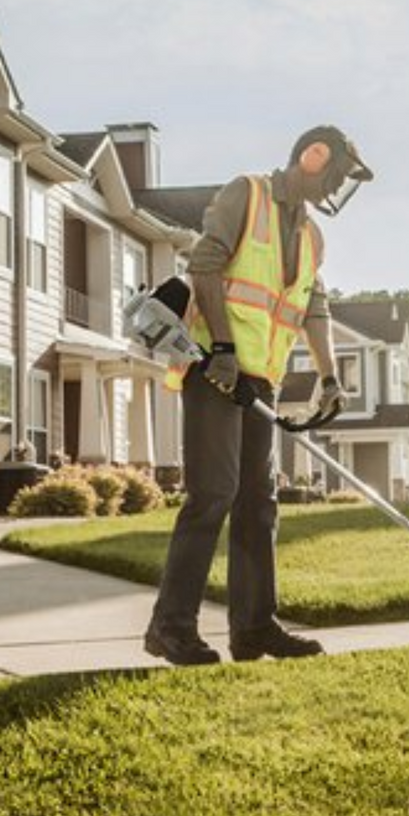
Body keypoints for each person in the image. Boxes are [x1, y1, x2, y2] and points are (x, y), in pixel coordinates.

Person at [144, 125, 373, 666]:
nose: (336, 189)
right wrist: (223, 348)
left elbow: (313, 307)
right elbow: (204, 266)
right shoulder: (245, 195)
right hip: (214, 368)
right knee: (213, 494)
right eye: (338, 175)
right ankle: (170, 628)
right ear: (314, 155)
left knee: (258, 503)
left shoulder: (312, 237)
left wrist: (329, 378)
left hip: (259, 381)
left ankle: (253, 628)